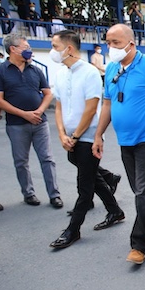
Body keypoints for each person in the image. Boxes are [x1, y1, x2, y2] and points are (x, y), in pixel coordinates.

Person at [92, 23, 145, 265]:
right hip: (126, 140)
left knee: (143, 192)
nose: (111, 47)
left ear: (131, 43)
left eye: (115, 42)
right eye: (108, 42)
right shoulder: (113, 68)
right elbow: (107, 104)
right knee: (142, 190)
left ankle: (139, 243)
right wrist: (98, 135)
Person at [48, 30, 125, 249]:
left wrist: (75, 136)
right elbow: (60, 106)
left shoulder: (90, 72)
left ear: (68, 48)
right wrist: (62, 134)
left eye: (55, 46)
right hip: (71, 136)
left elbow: (92, 108)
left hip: (88, 137)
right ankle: (115, 210)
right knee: (89, 174)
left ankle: (73, 230)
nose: (54, 51)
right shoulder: (61, 73)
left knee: (84, 185)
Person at [0, 33, 63, 208]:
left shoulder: (35, 70)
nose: (29, 51)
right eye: (25, 48)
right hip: (16, 125)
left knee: (47, 159)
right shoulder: (1, 71)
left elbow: (48, 94)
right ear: (13, 49)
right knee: (21, 161)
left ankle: (54, 195)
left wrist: (39, 111)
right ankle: (28, 193)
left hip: (39, 123)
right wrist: (24, 114)